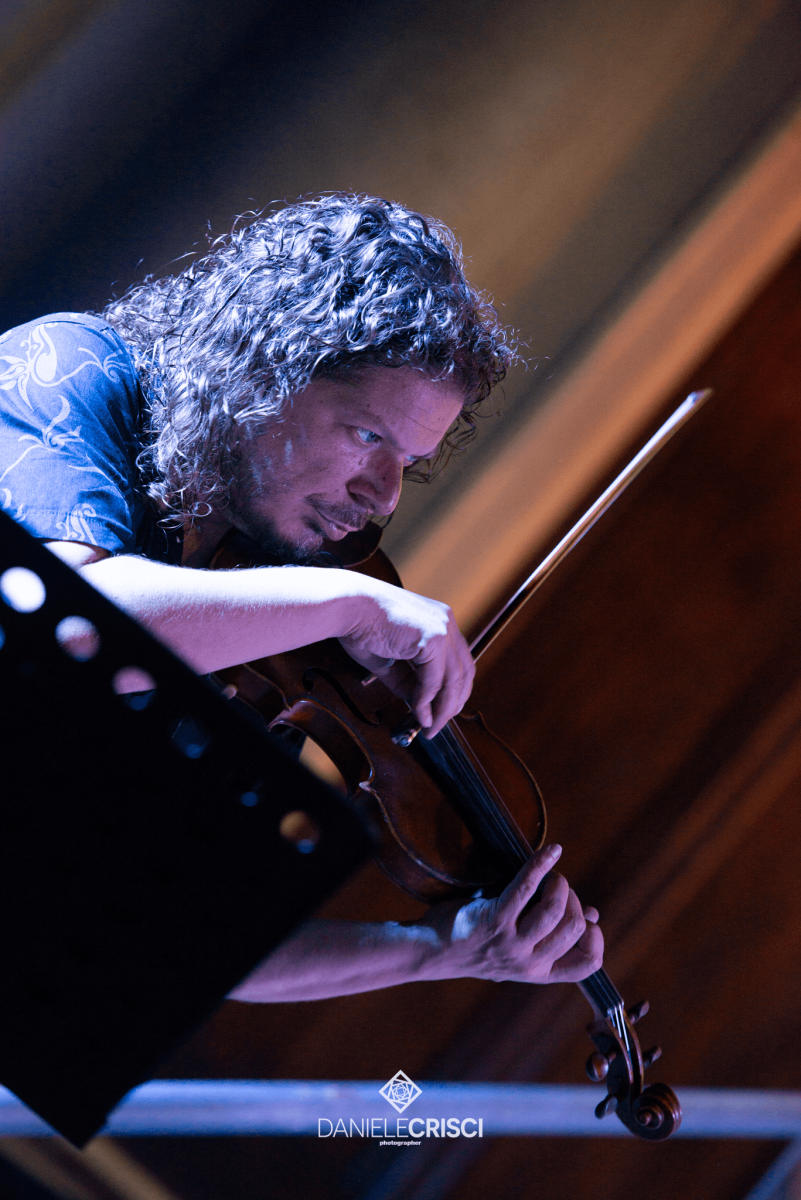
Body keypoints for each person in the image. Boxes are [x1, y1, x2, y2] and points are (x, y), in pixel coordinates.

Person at [0, 194, 603, 1000]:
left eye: (408, 462)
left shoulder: (268, 623)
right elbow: (72, 629)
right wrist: (353, 605)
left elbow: (191, 936)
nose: (383, 495)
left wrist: (443, 949)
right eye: (367, 436)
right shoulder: (68, 369)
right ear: (262, 368)